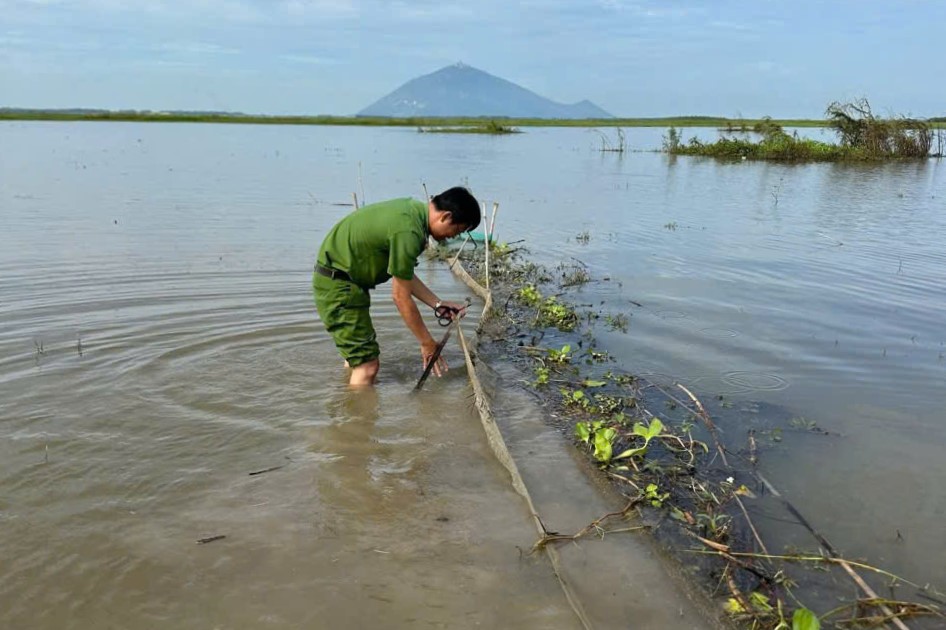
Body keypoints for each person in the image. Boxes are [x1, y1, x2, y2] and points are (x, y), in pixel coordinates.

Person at [313, 186, 481, 386]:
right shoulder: (409, 231)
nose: (453, 237)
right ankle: (357, 415)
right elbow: (400, 297)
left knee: (357, 359)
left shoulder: (411, 212)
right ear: (445, 216)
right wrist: (427, 343)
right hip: (340, 286)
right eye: (457, 230)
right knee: (368, 366)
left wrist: (437, 304)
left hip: (344, 282)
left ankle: (349, 396)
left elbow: (404, 276)